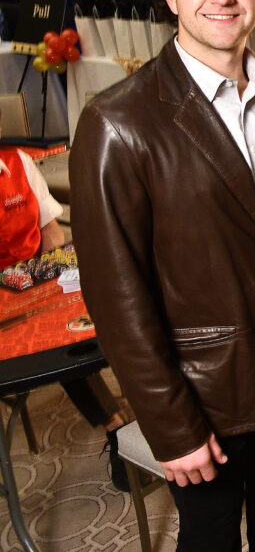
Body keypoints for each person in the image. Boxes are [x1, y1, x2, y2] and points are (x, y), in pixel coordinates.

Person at [69, 0, 255, 552]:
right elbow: (116, 296)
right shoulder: (118, 122)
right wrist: (170, 423)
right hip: (204, 392)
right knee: (210, 540)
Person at [0, 109, 128, 490]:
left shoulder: (18, 162)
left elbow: (53, 236)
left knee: (75, 340)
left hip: (37, 285)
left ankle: (118, 430)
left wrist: (77, 284)